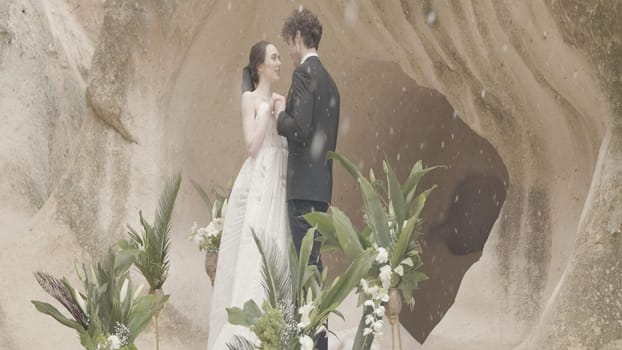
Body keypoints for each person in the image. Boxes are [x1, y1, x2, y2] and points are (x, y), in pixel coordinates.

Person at [207, 40, 290, 350]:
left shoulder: (280, 99)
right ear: (259, 67)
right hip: (259, 181)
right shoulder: (250, 99)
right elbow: (251, 146)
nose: (279, 62)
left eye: (279, 57)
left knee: (278, 251)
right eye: (273, 58)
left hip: (279, 182)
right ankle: (247, 333)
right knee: (254, 252)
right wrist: (268, 111)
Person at [274, 7, 340, 350]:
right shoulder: (330, 83)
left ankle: (314, 343)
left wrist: (279, 114)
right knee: (315, 268)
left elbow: (298, 130)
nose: (288, 50)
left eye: (289, 42)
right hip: (321, 191)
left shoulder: (303, 76)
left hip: (300, 190)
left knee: (305, 270)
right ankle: (319, 340)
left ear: (299, 38)